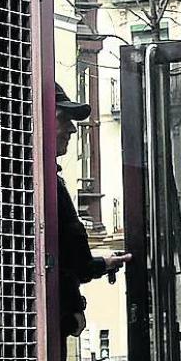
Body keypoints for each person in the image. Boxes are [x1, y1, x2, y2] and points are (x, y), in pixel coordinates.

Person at [55, 83, 131, 344]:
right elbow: (76, 263)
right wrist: (99, 264)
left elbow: (74, 261)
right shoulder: (44, 185)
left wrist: (100, 263)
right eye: (63, 118)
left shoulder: (46, 181)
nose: (72, 129)